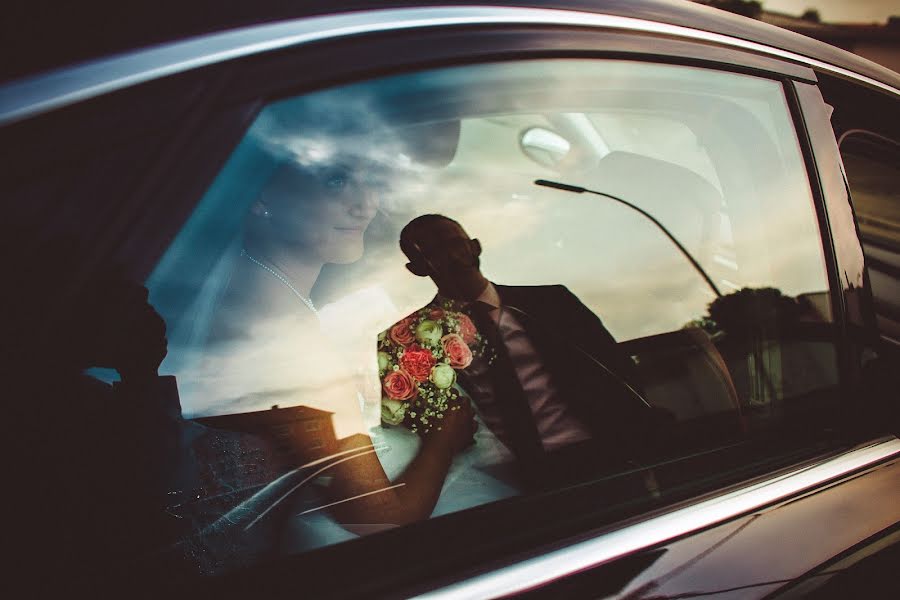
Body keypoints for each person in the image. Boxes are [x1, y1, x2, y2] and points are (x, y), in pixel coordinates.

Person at [194, 158, 477, 534]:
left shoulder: (250, 291)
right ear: (263, 197)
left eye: (369, 180)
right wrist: (445, 435)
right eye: (336, 180)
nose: (366, 204)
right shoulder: (287, 339)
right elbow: (379, 521)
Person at [387, 214, 664, 490]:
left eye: (455, 243)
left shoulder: (552, 303)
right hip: (505, 481)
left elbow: (618, 373)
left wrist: (642, 454)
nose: (451, 256)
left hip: (598, 458)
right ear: (417, 268)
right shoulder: (414, 338)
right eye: (433, 252)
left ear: (475, 246)